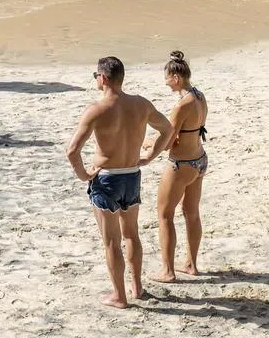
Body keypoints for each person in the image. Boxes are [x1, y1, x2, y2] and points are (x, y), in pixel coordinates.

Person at [66, 56, 173, 309]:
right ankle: (137, 287)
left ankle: (119, 296)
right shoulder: (141, 104)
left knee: (111, 241)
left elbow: (72, 151)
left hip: (107, 178)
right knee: (132, 234)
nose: (96, 79)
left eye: (96, 76)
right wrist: (150, 156)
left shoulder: (97, 109)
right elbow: (167, 130)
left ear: (103, 78)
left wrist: (84, 175)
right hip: (132, 175)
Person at [149, 52, 208, 283]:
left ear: (175, 77)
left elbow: (167, 142)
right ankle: (191, 264)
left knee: (165, 215)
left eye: (166, 77)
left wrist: (146, 152)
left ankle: (167, 271)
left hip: (181, 164)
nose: (165, 82)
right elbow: (188, 132)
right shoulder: (199, 96)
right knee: (191, 213)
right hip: (199, 160)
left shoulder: (182, 106)